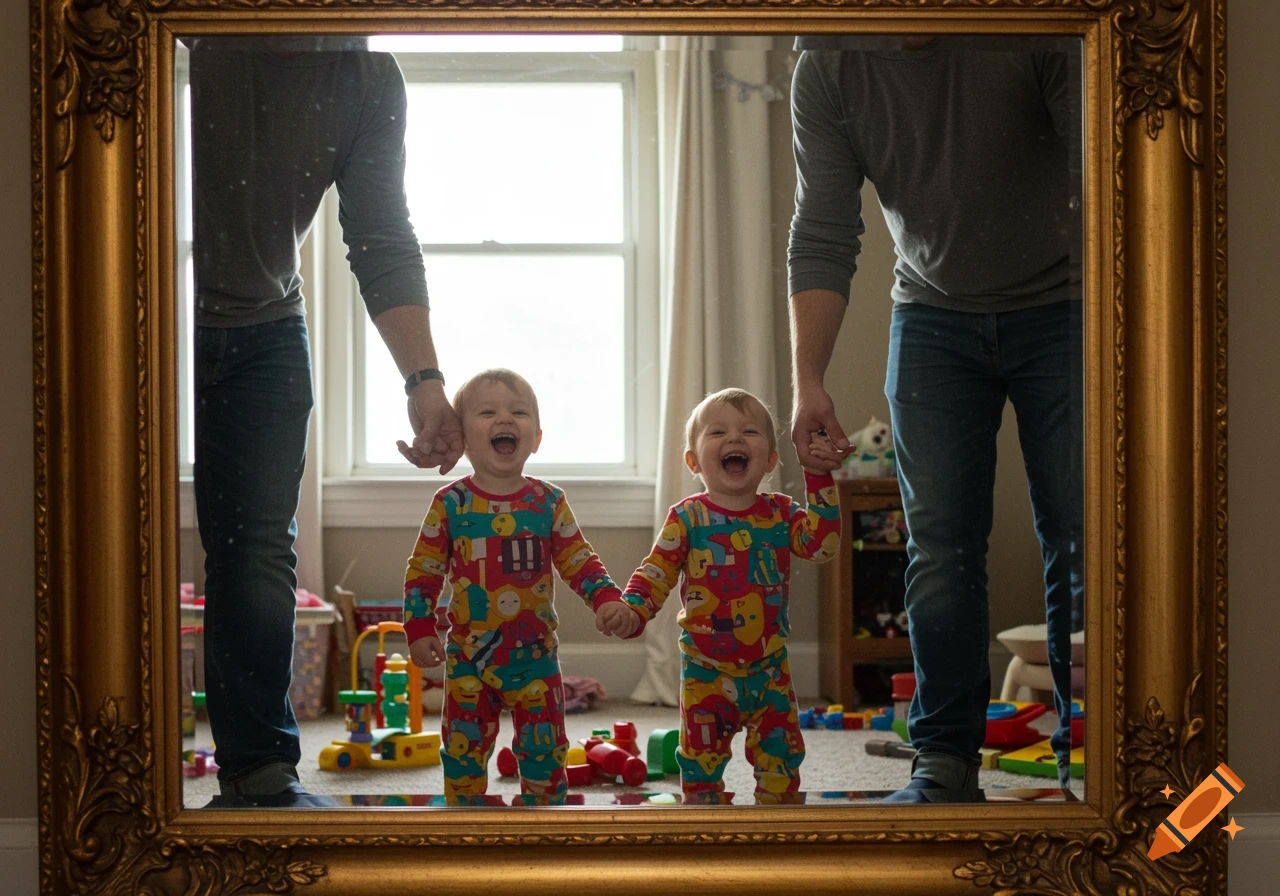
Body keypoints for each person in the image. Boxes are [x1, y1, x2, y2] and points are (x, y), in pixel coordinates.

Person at [787, 35, 1083, 802]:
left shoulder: (1030, 32)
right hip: (931, 316)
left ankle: (1090, 753)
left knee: (1080, 535)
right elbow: (823, 230)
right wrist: (807, 380)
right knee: (941, 549)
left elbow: (1107, 177)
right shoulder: (826, 65)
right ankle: (944, 762)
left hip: (1069, 302)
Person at [190, 36, 464, 808]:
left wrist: (425, 382)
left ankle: (259, 774)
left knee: (255, 551)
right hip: (137, 305)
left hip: (267, 329)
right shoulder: (194, 41)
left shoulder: (369, 77)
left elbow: (381, 236)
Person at [601, 389, 842, 804]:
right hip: (705, 672)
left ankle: (780, 820)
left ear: (770, 460)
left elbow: (822, 545)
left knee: (782, 757)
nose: (734, 438)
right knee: (699, 763)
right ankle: (704, 819)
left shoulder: (781, 513)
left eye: (749, 431)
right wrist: (634, 609)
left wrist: (818, 477)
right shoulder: (686, 517)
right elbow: (656, 571)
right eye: (717, 432)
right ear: (693, 461)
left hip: (770, 669)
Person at [403, 369, 631, 805]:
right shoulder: (450, 504)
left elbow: (578, 559)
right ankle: (465, 814)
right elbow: (424, 570)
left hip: (535, 657)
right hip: (469, 658)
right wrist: (418, 625)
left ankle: (543, 816)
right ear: (464, 439)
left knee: (546, 751)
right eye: (487, 412)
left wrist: (605, 598)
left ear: (537, 438)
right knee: (463, 750)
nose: (504, 419)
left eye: (519, 413)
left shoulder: (548, 501)